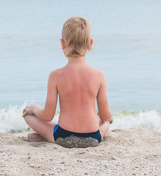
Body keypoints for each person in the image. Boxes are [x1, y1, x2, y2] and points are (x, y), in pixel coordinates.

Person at [22, 17, 112, 146]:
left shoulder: (55, 75)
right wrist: (108, 119)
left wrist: (34, 109)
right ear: (90, 43)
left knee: (28, 116)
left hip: (63, 137)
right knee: (104, 121)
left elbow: (47, 116)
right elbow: (104, 115)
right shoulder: (99, 75)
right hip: (93, 137)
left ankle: (43, 136)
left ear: (62, 43)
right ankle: (104, 128)